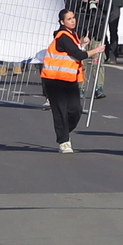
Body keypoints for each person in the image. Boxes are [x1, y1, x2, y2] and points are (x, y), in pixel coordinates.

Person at [40, 8, 105, 153]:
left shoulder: (72, 35)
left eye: (73, 18)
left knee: (76, 110)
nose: (73, 20)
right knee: (60, 111)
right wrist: (96, 50)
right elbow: (78, 55)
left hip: (69, 79)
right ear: (62, 22)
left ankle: (64, 132)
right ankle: (63, 141)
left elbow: (72, 52)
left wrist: (83, 45)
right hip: (54, 80)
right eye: (69, 19)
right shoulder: (62, 36)